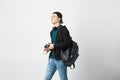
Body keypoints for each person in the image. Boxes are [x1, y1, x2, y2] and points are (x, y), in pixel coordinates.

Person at [44, 11, 73, 80]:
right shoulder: (52, 31)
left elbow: (68, 43)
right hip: (51, 59)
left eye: (54, 16)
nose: (52, 18)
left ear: (59, 18)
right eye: (51, 17)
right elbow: (55, 44)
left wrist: (54, 46)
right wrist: (49, 48)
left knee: (63, 78)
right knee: (46, 78)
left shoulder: (63, 29)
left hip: (60, 60)